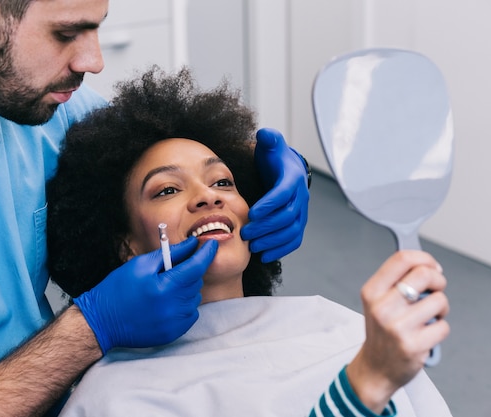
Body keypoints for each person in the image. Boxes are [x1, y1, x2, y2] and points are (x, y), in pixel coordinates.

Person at [0, 1, 311, 416]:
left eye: (95, 27)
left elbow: (154, 147)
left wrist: (264, 163)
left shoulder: (28, 102)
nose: (93, 60)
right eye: (66, 33)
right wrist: (92, 327)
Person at [46, 66, 452, 417]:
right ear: (125, 245)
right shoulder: (115, 399)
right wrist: (365, 386)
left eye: (223, 181)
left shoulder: (342, 329)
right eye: (167, 190)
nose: (209, 196)